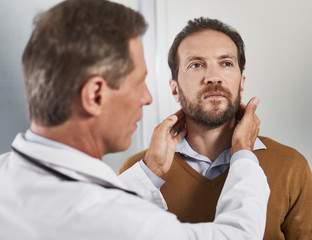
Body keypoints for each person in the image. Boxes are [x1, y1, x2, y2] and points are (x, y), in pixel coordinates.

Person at [0, 1, 270, 239]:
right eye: (139, 82)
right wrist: (244, 154)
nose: (148, 97)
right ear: (95, 95)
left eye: (226, 63)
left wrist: (149, 170)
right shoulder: (111, 218)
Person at [120, 17, 312, 240]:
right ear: (175, 90)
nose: (213, 77)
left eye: (226, 63)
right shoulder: (140, 172)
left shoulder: (291, 166)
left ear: (242, 83)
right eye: (196, 65)